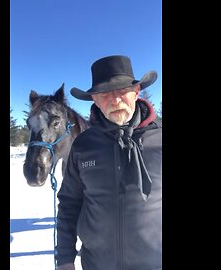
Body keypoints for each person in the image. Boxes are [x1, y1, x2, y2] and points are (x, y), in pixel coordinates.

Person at [56, 55, 162, 270]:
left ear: (136, 91)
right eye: (104, 94)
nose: (115, 100)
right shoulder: (83, 145)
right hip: (97, 263)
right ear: (95, 99)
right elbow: (69, 204)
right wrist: (65, 259)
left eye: (122, 91)